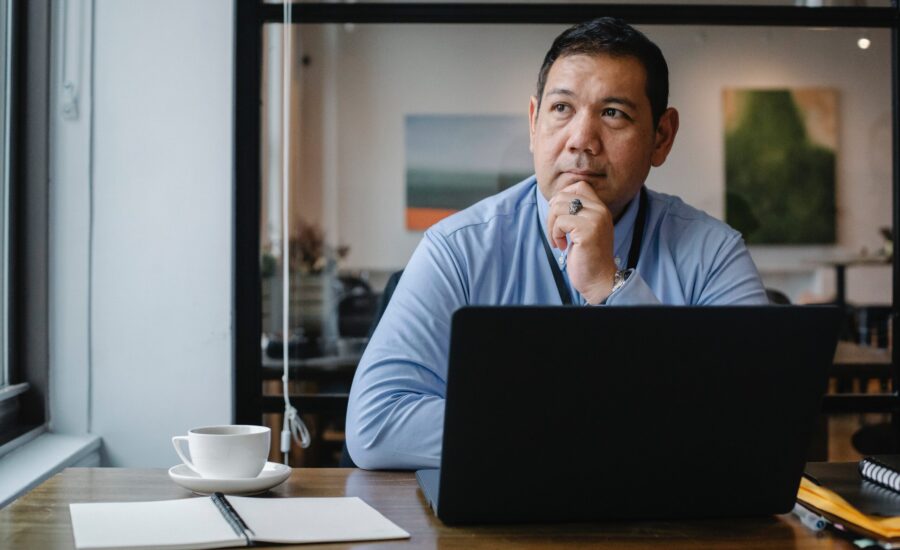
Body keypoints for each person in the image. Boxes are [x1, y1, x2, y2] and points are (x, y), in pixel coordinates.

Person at [346, 17, 768, 470]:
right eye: (562, 109)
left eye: (613, 114)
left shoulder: (713, 253)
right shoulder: (458, 248)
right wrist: (587, 426)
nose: (582, 141)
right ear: (534, 122)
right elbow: (376, 424)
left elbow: (759, 423)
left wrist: (611, 286)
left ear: (661, 137)